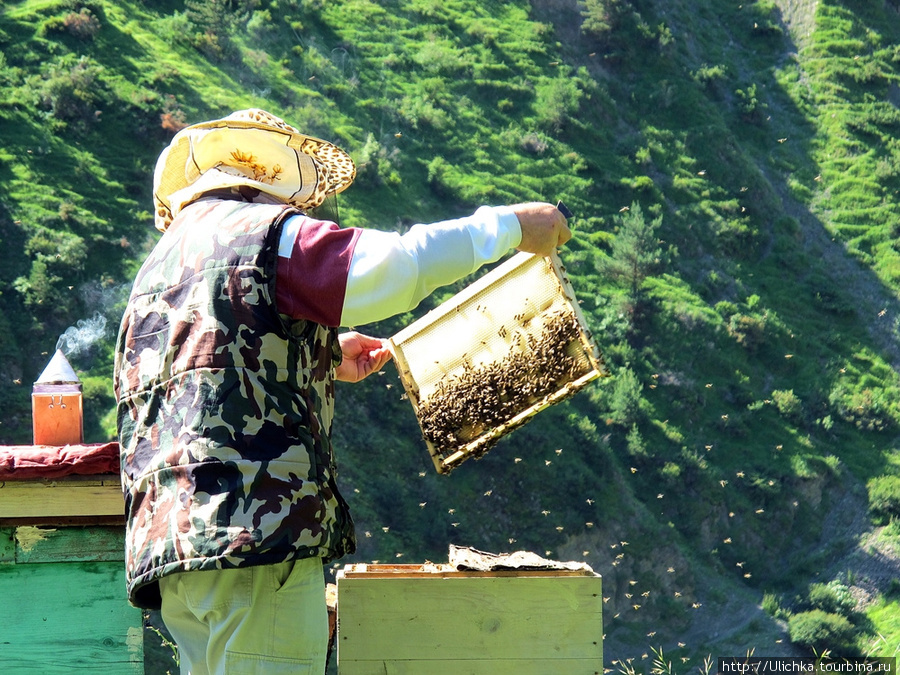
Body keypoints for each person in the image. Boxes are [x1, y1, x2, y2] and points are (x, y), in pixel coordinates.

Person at [114, 108, 571, 674]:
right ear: (265, 185)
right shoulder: (264, 233)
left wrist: (323, 356)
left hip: (177, 549)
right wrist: (510, 227)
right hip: (256, 536)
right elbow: (394, 268)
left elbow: (200, 370)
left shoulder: (161, 267)